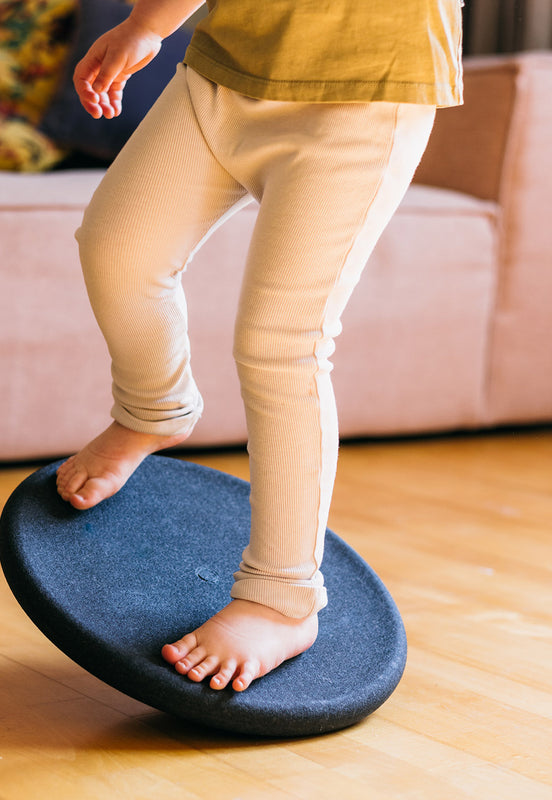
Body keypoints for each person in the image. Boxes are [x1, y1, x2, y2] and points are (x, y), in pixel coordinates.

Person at [56, 0, 463, 692]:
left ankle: (283, 597)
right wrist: (149, 25)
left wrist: (146, 26)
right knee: (118, 247)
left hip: (364, 93)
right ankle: (155, 407)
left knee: (282, 345)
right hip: (224, 73)